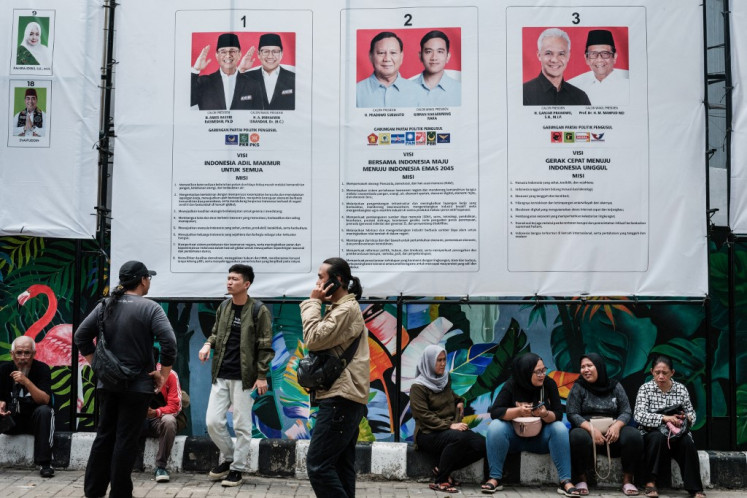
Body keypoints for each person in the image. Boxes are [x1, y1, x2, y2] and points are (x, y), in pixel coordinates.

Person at [74, 260, 177, 498]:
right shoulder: (151, 308)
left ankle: (93, 491)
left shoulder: (105, 305)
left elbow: (81, 336)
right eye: (148, 278)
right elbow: (169, 343)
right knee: (125, 440)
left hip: (107, 384)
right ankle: (120, 493)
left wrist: (97, 365)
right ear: (142, 280)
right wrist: (163, 375)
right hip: (138, 387)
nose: (149, 281)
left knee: (104, 436)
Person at [198, 264, 274, 487]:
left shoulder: (259, 310)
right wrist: (206, 344)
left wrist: (261, 376)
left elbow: (265, 345)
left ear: (247, 284)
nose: (229, 282)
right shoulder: (223, 307)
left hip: (246, 378)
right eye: (228, 278)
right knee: (213, 422)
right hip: (221, 374)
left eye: (235, 279)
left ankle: (237, 470)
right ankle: (231, 458)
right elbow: (215, 333)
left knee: (242, 425)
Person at [302, 257, 369, 497]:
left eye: (321, 277)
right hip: (347, 399)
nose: (317, 283)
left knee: (318, 465)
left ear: (337, 279)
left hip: (341, 399)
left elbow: (313, 338)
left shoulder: (346, 309)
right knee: (340, 466)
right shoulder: (342, 309)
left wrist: (312, 302)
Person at [482, 353, 579, 496]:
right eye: (538, 372)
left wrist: (544, 414)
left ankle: (565, 480)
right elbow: (495, 411)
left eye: (543, 370)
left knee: (559, 428)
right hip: (514, 437)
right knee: (496, 426)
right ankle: (495, 478)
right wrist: (518, 411)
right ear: (526, 372)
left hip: (540, 439)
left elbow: (558, 414)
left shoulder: (549, 384)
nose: (542, 375)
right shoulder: (512, 384)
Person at [410, 344, 486, 493]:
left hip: (447, 429)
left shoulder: (444, 379)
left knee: (481, 444)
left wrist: (459, 401)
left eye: (444, 359)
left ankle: (442, 468)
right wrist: (449, 425)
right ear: (429, 362)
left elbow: (449, 396)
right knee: (458, 438)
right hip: (427, 433)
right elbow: (423, 415)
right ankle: (441, 481)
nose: (443, 363)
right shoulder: (418, 387)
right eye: (438, 360)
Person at [566, 353, 643, 496]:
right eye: (583, 367)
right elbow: (572, 413)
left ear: (599, 367)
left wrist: (617, 426)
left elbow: (626, 411)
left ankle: (628, 480)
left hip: (612, 434)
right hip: (588, 434)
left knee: (634, 435)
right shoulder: (579, 386)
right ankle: (581, 480)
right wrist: (591, 429)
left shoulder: (615, 386)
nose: (585, 370)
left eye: (589, 365)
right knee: (576, 436)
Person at [633, 355, 705, 498]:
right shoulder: (645, 389)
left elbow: (692, 413)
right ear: (652, 371)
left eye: (664, 373)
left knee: (687, 443)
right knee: (657, 438)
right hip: (652, 432)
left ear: (672, 373)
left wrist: (685, 419)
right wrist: (664, 418)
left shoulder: (681, 389)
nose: (660, 376)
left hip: (676, 433)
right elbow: (639, 415)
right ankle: (650, 483)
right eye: (657, 372)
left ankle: (695, 488)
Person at [0, 336, 55, 478]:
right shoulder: (4, 369)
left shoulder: (41, 369)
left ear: (34, 354)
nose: (23, 357)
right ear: (12, 355)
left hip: (33, 421)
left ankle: (45, 464)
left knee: (45, 411)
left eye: (27, 353)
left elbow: (45, 400)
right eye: (19, 353)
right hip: (10, 421)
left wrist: (26, 382)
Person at [191, 33, 262, 110]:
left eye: (232, 51)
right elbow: (189, 101)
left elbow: (257, 115)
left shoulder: (253, 84)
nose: (228, 55)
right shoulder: (203, 82)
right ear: (217, 56)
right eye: (223, 51)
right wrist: (196, 69)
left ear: (239, 55)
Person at [143, 348, 184, 483]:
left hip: (158, 419)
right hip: (138, 421)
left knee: (169, 421)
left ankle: (161, 467)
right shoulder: (133, 373)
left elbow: (175, 406)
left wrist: (156, 412)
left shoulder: (169, 375)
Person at [523, 28, 590, 106]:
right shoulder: (523, 94)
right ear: (539, 55)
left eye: (561, 54)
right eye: (548, 53)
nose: (554, 60)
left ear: (568, 56)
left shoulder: (580, 97)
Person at [567, 29, 629, 106]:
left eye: (605, 53)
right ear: (587, 59)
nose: (599, 60)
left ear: (614, 57)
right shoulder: (576, 86)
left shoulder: (629, 84)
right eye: (593, 54)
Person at [356, 31, 418, 108]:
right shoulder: (356, 92)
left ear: (401, 56)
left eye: (393, 53)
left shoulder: (417, 91)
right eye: (381, 53)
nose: (387, 59)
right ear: (371, 56)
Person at [245, 33, 295, 110]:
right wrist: (241, 69)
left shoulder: (293, 78)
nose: (270, 56)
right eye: (265, 51)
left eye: (275, 51)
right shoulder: (246, 77)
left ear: (281, 54)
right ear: (258, 54)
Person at [413, 30, 461, 107]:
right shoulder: (407, 89)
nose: (434, 57)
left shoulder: (459, 90)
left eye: (440, 51)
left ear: (448, 57)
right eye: (428, 52)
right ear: (420, 56)